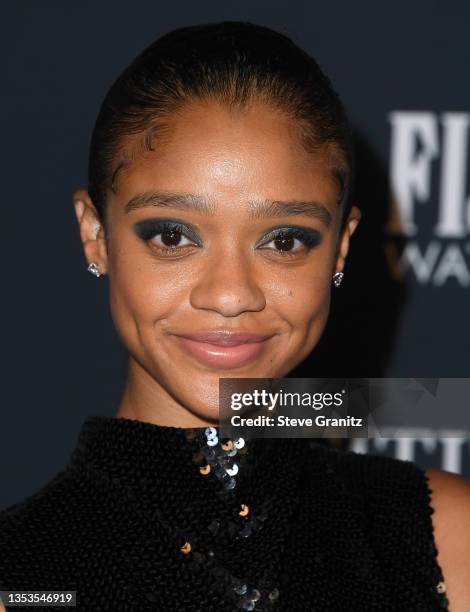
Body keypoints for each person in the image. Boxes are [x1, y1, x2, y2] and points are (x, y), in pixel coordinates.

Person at [1, 20, 470, 612]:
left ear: (340, 249)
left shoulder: (452, 545)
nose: (230, 295)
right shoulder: (21, 581)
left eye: (285, 240)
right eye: (173, 236)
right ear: (96, 235)